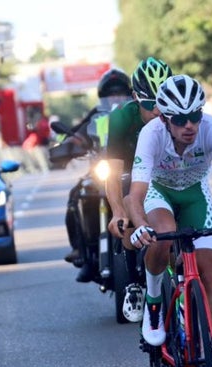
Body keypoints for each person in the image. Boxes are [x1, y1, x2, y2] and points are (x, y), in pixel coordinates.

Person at [126, 74, 212, 367]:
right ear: (166, 119)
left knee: (208, 273)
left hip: (195, 193)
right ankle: (154, 303)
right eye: (180, 119)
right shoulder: (151, 134)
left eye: (194, 115)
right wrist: (140, 227)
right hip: (160, 192)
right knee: (163, 234)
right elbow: (136, 193)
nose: (189, 125)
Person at [85, 57, 172, 297]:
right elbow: (112, 172)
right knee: (127, 213)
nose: (158, 111)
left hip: (165, 173)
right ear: (135, 98)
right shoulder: (121, 118)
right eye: (150, 104)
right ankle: (133, 281)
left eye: (163, 102)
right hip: (131, 172)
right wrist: (119, 212)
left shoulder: (177, 114)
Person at [62, 68, 134, 278]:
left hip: (129, 170)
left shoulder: (133, 112)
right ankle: (81, 249)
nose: (115, 98)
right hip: (100, 168)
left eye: (120, 93)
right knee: (77, 195)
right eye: (111, 94)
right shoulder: (95, 115)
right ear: (103, 96)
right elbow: (77, 134)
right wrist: (68, 146)